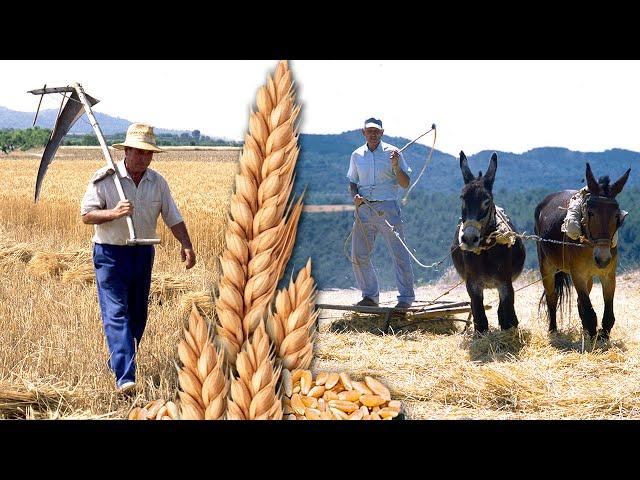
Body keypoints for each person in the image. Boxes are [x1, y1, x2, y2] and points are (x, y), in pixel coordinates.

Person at [80, 123, 196, 393]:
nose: (144, 158)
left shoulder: (157, 182)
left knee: (138, 315)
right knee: (116, 313)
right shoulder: (105, 178)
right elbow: (87, 215)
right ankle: (126, 377)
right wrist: (114, 213)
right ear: (127, 151)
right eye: (139, 152)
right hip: (110, 253)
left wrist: (187, 244)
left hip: (143, 252)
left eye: (149, 153)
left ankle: (120, 361)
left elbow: (173, 217)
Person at [347, 117, 415, 309]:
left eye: (377, 131)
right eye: (370, 131)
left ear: (382, 133)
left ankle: (405, 298)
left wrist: (395, 166)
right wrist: (355, 196)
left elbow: (404, 183)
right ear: (363, 133)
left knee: (399, 254)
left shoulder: (394, 153)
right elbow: (352, 181)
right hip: (364, 209)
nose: (373, 134)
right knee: (358, 254)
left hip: (388, 208)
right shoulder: (356, 155)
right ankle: (370, 297)